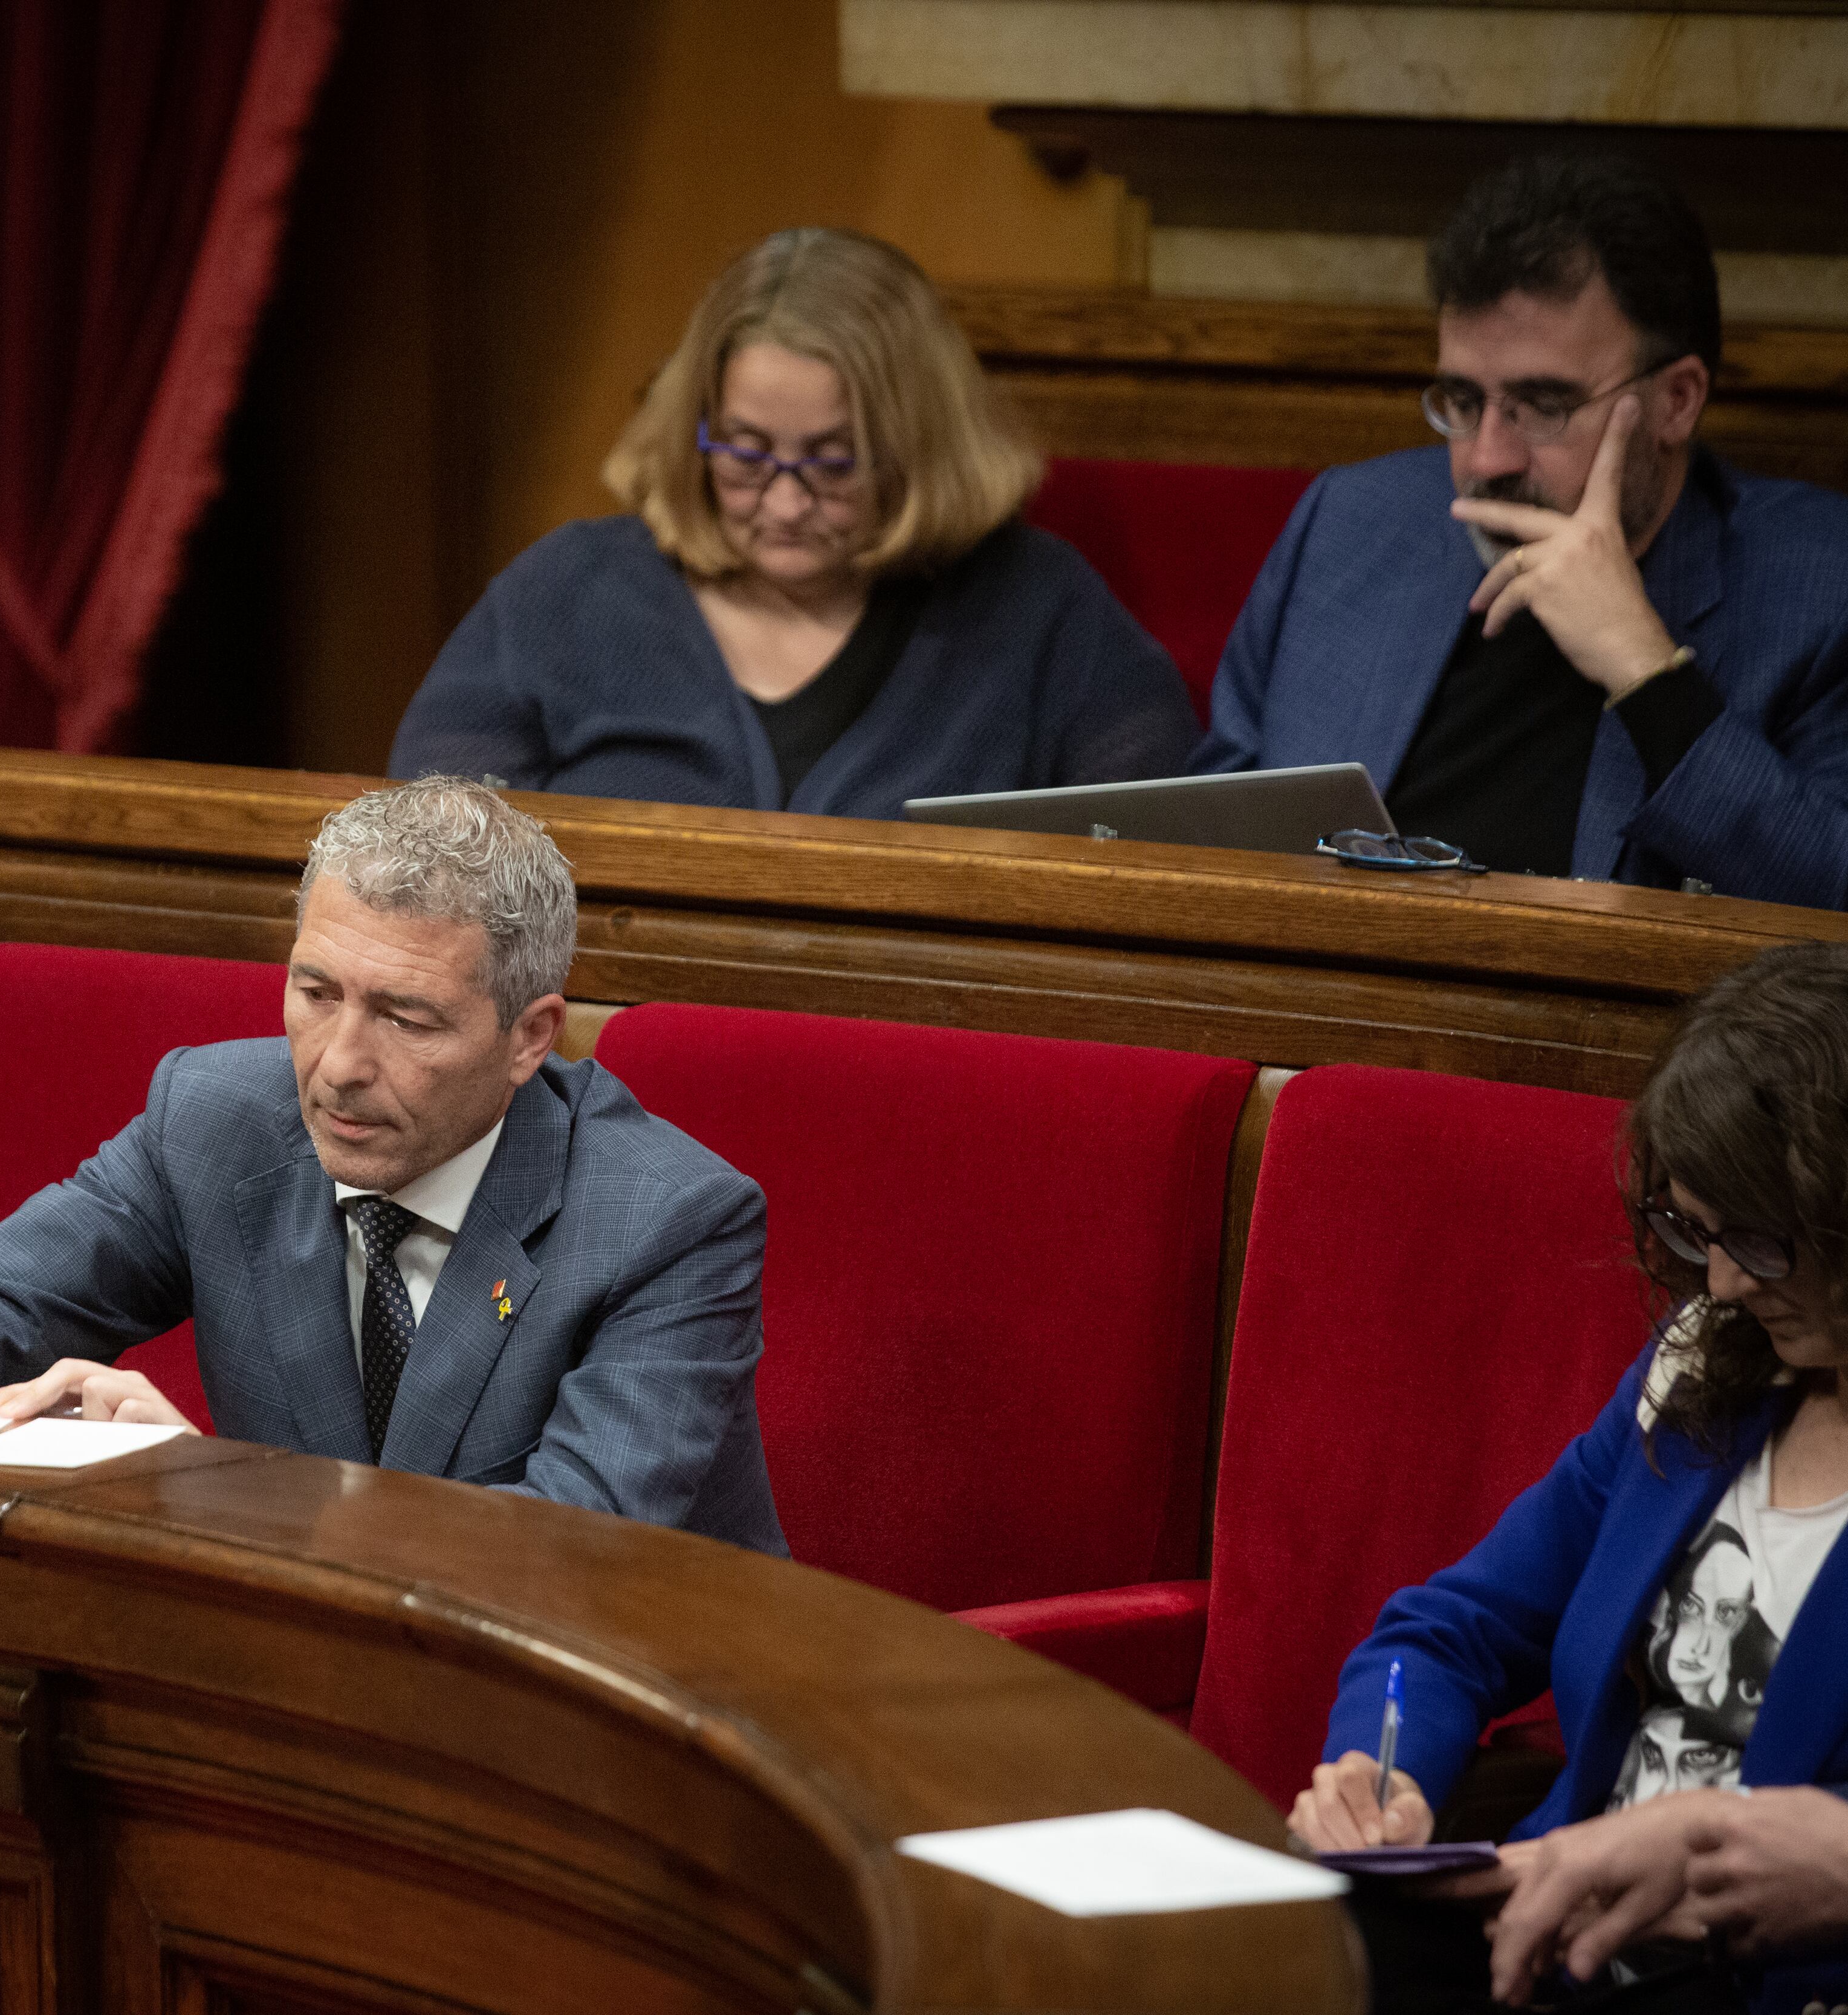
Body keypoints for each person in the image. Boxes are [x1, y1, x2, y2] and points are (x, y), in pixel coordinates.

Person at [0, 777, 788, 1554]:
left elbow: (562, 1554)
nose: (337, 1066)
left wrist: (211, 1495)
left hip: (628, 1733)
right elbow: (6, 1304)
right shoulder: (215, 1119)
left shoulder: (667, 1221)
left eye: (406, 1019)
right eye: (315, 992)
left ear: (530, 1036)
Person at [1285, 941, 1848, 2011]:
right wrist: (1384, 1769)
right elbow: (1447, 1629)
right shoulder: (1698, 1372)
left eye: (1766, 1243)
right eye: (1699, 1231)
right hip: (1555, 1946)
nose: (1724, 1281)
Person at [1196, 154, 1848, 906]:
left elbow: (1830, 910)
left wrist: (1645, 672)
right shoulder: (1348, 524)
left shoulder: (1816, 586)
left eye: (1543, 405)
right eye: (1462, 399)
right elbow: (1209, 842)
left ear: (1676, 401)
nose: (1486, 458)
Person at [387, 228, 1197, 819]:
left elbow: (1164, 854)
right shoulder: (564, 590)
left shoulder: (1038, 606)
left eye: (833, 461)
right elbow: (425, 853)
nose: (782, 502)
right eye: (744, 453)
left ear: (919, 449)